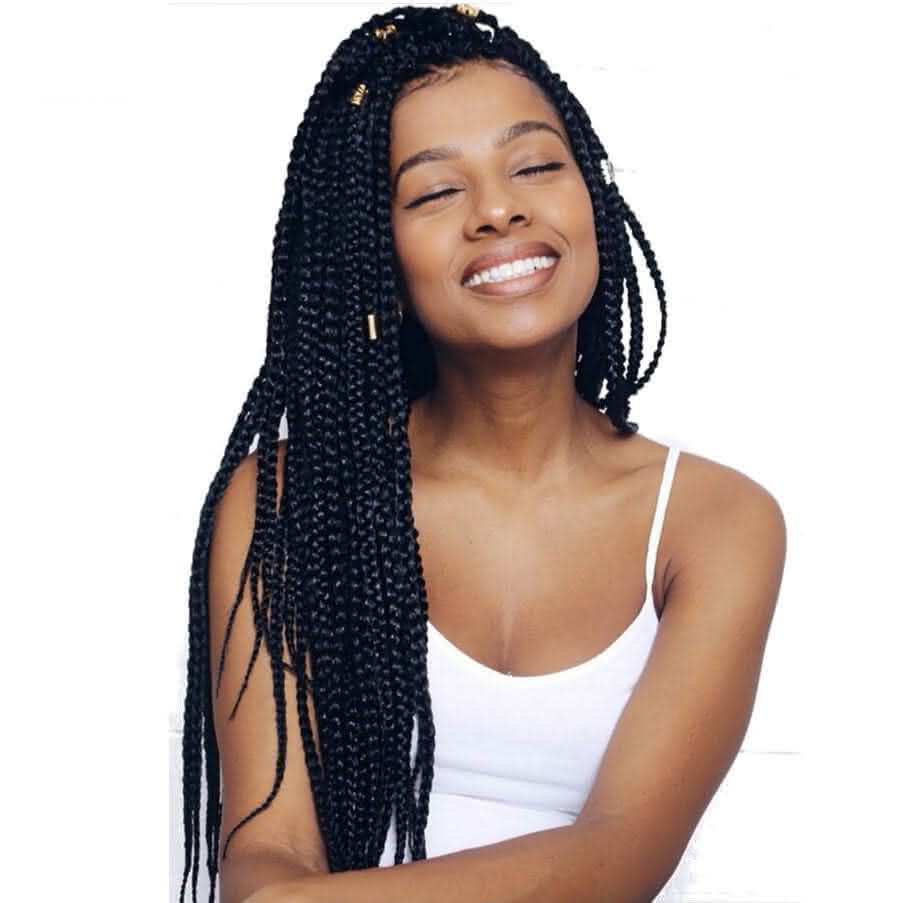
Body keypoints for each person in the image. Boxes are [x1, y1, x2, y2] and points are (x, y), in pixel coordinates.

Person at [178, 5, 787, 903]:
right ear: (376, 258)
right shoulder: (285, 499)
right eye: (434, 192)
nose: (499, 208)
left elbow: (618, 857)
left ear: (592, 203)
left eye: (534, 166)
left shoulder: (715, 521)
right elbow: (265, 852)